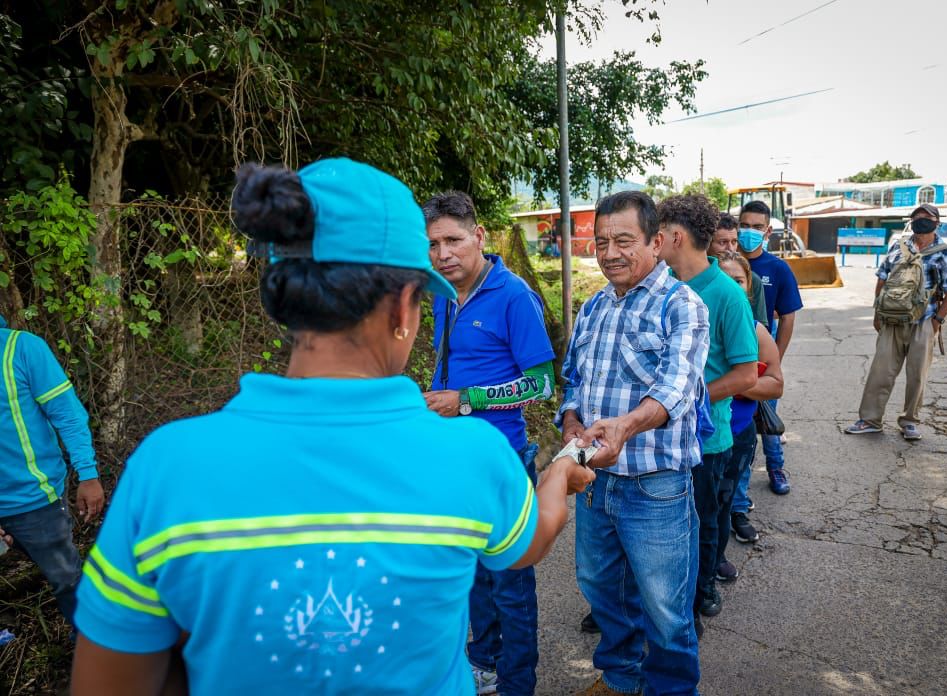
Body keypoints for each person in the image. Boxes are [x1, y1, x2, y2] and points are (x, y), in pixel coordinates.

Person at [71, 158, 597, 696]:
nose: (445, 255)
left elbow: (109, 679)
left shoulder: (165, 466)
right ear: (403, 308)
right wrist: (559, 474)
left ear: (283, 300)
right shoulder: (471, 457)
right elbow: (533, 540)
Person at [560, 190, 709, 696]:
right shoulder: (594, 305)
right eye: (601, 242)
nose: (609, 252)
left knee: (666, 610)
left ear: (657, 241)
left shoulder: (682, 305)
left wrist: (624, 426)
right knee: (601, 589)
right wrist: (571, 421)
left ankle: (670, 688)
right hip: (595, 481)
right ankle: (622, 678)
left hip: (656, 486)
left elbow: (677, 389)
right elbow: (573, 379)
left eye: (624, 240)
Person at [422, 191, 556, 696]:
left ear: (478, 236)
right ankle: (484, 662)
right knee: (472, 574)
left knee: (511, 582)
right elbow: (448, 363)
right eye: (433, 244)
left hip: (502, 462)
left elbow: (541, 384)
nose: (443, 254)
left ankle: (519, 682)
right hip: (453, 461)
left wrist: (467, 400)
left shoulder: (514, 295)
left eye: (453, 240)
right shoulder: (442, 292)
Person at [657, 196, 758, 626]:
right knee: (659, 529)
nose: (652, 240)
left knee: (699, 524)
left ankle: (697, 600)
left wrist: (685, 400)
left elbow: (747, 374)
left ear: (675, 237)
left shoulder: (727, 295)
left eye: (656, 232)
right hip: (658, 436)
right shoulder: (659, 287)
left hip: (705, 439)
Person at [0, 315, 103, 628]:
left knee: (67, 580)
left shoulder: (21, 348)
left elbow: (68, 415)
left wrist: (87, 473)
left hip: (33, 502)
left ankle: (92, 647)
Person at [845, 203, 947, 440]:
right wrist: (877, 313)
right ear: (911, 221)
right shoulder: (898, 247)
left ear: (937, 222)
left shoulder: (945, 252)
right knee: (880, 372)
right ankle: (870, 419)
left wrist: (937, 321)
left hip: (924, 321)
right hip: (891, 320)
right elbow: (882, 279)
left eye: (927, 217)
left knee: (917, 375)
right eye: (917, 217)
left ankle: (910, 421)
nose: (921, 220)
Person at [714, 252, 784, 575]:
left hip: (738, 433)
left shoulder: (756, 330)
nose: (731, 286)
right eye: (724, 279)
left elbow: (775, 384)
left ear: (749, 289)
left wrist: (739, 386)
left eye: (738, 281)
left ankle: (716, 558)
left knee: (724, 500)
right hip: (700, 435)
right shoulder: (692, 324)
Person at [737, 200, 802, 497]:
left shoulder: (777, 269)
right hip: (730, 359)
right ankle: (739, 484)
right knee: (738, 422)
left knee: (767, 417)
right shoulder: (727, 264)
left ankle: (775, 466)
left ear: (768, 231)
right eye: (744, 225)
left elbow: (787, 317)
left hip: (762, 357)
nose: (749, 232)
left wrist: (776, 358)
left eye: (756, 227)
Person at [710, 213, 768, 328]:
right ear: (707, 243)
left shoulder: (751, 279)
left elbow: (760, 330)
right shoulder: (697, 277)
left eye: (734, 242)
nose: (730, 249)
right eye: (722, 242)